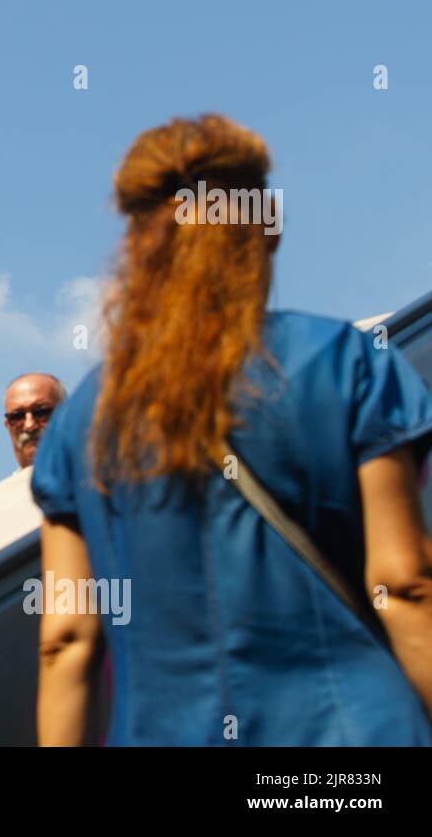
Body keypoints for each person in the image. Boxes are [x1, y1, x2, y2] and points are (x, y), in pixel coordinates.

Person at [31, 113, 432, 746]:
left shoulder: (83, 419)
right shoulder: (345, 363)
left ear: (138, 246)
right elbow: (403, 584)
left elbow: (67, 639)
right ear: (265, 229)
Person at [4, 373, 66, 469]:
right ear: (8, 426)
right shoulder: (7, 484)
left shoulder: (95, 478)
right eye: (17, 417)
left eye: (41, 412)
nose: (29, 425)